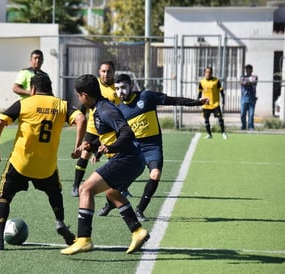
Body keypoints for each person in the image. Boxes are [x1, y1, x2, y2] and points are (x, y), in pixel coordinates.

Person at [0, 74, 86, 250]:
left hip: (20, 163)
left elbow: (0, 122)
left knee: (4, 197)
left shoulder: (25, 103)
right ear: (50, 88)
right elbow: (81, 119)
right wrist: (78, 146)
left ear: (32, 89)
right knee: (55, 193)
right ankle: (60, 222)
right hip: (46, 167)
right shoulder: (61, 105)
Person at [97, 74, 209, 221]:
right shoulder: (118, 110)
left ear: (131, 86)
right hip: (133, 149)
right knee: (121, 183)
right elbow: (110, 135)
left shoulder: (146, 97)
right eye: (117, 89)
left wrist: (196, 103)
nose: (120, 92)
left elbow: (172, 100)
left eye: (123, 87)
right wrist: (97, 149)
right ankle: (109, 204)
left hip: (152, 146)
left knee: (155, 174)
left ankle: (140, 209)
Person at [61, 74, 149, 255]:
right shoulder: (98, 108)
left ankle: (84, 239)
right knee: (112, 191)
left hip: (127, 158)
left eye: (78, 95)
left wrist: (108, 147)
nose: (78, 98)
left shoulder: (105, 110)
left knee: (85, 189)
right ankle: (138, 231)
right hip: (133, 159)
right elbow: (111, 136)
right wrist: (93, 146)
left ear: (84, 95)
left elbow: (127, 133)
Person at [71, 60, 122, 197]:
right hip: (93, 128)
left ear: (113, 73)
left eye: (109, 71)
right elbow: (84, 106)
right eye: (103, 71)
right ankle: (76, 185)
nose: (106, 74)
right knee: (85, 154)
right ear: (99, 72)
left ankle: (120, 186)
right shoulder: (93, 85)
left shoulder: (117, 88)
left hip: (109, 129)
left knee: (114, 156)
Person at [198, 67, 228, 140]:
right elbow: (199, 93)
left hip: (215, 104)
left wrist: (223, 101)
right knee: (206, 120)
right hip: (206, 105)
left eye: (209, 72)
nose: (208, 73)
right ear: (204, 73)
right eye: (207, 72)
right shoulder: (202, 82)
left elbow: (221, 92)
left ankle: (223, 133)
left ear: (212, 73)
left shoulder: (216, 81)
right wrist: (197, 102)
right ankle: (209, 134)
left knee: (220, 119)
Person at [240, 64, 258, 130]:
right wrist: (249, 82)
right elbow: (243, 83)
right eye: (247, 69)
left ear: (252, 70)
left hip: (252, 97)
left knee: (251, 114)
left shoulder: (255, 76)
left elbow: (254, 82)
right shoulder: (242, 77)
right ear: (246, 70)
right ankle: (243, 126)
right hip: (244, 97)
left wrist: (247, 82)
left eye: (250, 69)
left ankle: (250, 127)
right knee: (242, 114)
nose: (248, 70)